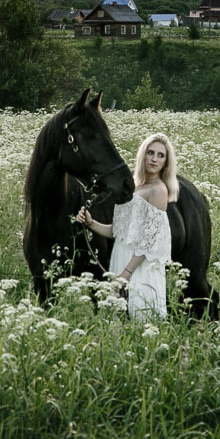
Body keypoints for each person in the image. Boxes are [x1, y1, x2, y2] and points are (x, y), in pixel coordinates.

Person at [74, 132, 177, 320]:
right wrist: (91, 223)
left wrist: (125, 275)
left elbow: (148, 242)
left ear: (166, 162)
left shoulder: (158, 190)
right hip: (120, 256)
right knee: (117, 320)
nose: (154, 159)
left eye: (160, 155)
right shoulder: (134, 185)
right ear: (142, 155)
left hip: (140, 266)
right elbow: (119, 232)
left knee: (141, 318)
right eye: (150, 153)